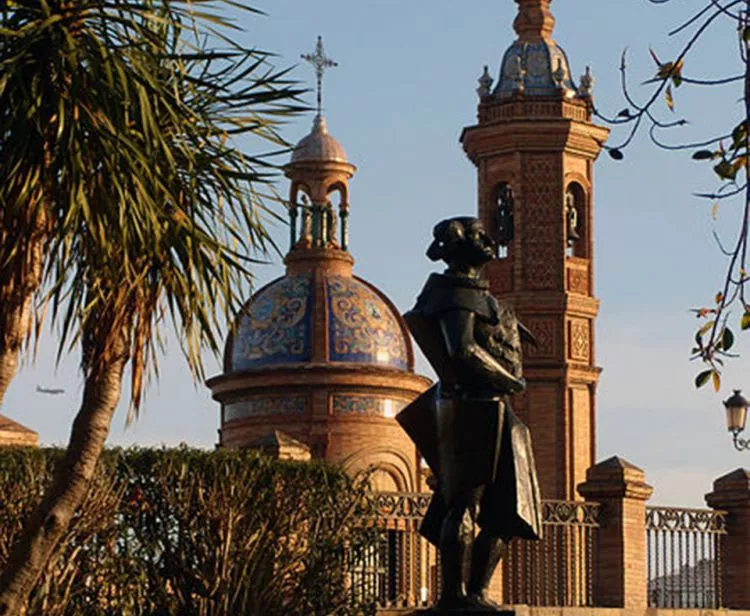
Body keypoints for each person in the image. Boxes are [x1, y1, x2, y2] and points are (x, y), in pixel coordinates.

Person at [397, 216, 542, 611]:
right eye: (479, 236)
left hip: (497, 410)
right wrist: (509, 381)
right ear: (458, 246)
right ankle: (453, 596)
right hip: (470, 407)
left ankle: (477, 592)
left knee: (509, 513)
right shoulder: (453, 294)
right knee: (463, 503)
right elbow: (461, 349)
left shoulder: (480, 296)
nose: (489, 240)